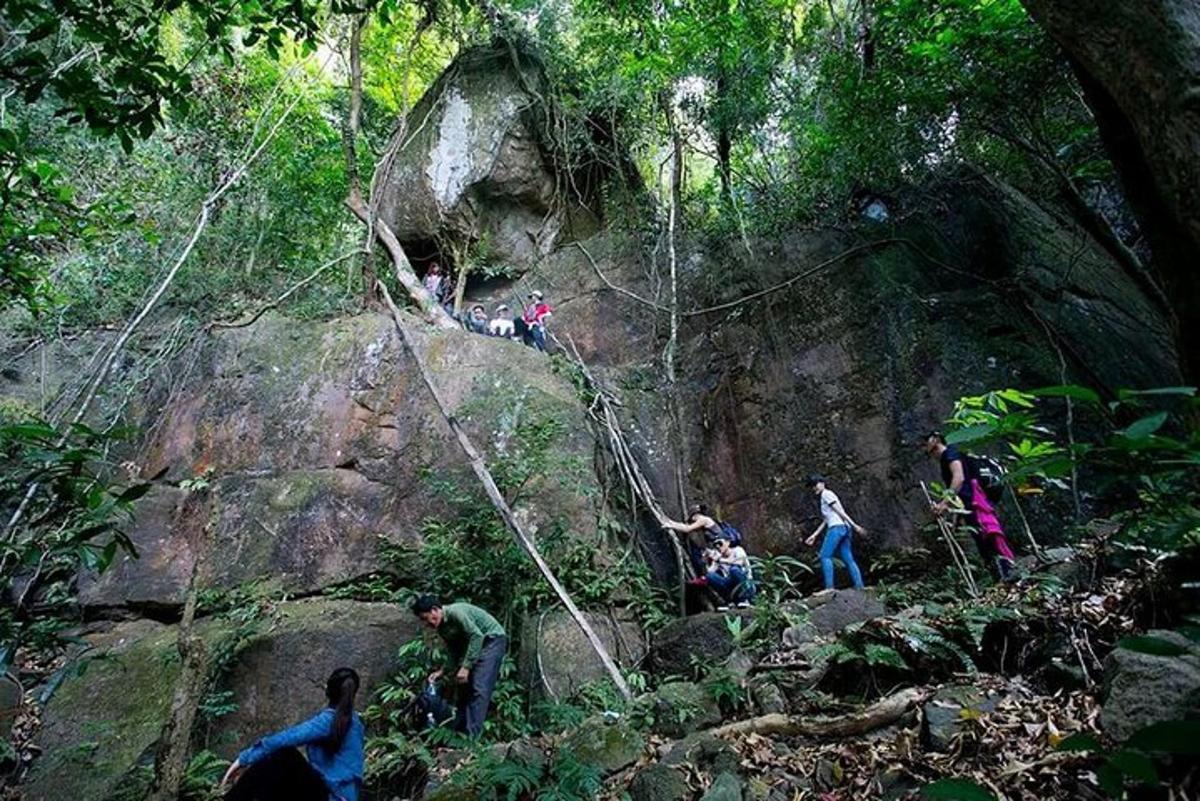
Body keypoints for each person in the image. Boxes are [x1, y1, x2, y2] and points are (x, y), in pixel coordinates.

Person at [220, 667, 363, 801]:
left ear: (327, 690)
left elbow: (286, 739)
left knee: (284, 755)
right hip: (335, 795)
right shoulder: (357, 724)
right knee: (280, 775)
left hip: (330, 796)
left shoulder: (328, 721)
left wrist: (244, 759)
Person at [923, 431, 1017, 582]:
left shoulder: (950, 453)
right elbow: (958, 493)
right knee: (983, 541)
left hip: (974, 502)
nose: (923, 447)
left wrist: (943, 504)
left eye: (925, 441)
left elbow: (959, 478)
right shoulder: (947, 458)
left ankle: (1009, 574)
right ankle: (1001, 578)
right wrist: (955, 519)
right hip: (969, 505)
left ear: (936, 439)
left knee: (988, 538)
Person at [410, 595, 507, 738]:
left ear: (435, 610)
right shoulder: (442, 628)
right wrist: (443, 671)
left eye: (426, 618)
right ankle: (459, 735)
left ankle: (471, 738)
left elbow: (476, 636)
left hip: (491, 640)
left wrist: (466, 667)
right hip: (474, 646)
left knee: (479, 688)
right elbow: (453, 650)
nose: (427, 623)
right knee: (463, 687)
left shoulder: (456, 613)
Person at [804, 475, 866, 590]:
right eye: (812, 486)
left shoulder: (826, 494)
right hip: (845, 528)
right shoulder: (828, 495)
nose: (814, 488)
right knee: (848, 558)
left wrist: (855, 525)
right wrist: (814, 535)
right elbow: (826, 519)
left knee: (824, 556)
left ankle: (829, 588)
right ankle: (860, 586)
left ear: (822, 483)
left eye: (815, 484)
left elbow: (840, 511)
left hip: (837, 528)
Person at [662, 503, 726, 578]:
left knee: (709, 565)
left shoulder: (703, 520)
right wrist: (671, 522)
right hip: (714, 545)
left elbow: (687, 529)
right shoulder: (703, 520)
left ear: (695, 515)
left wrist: (671, 525)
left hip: (719, 546)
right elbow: (685, 526)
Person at [705, 535, 755, 608]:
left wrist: (720, 560)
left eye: (720, 543)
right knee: (710, 576)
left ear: (728, 543)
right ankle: (730, 601)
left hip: (746, 585)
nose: (718, 546)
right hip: (732, 588)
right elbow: (710, 572)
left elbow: (738, 563)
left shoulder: (738, 550)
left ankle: (745, 599)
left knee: (734, 570)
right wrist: (713, 560)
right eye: (715, 545)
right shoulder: (719, 557)